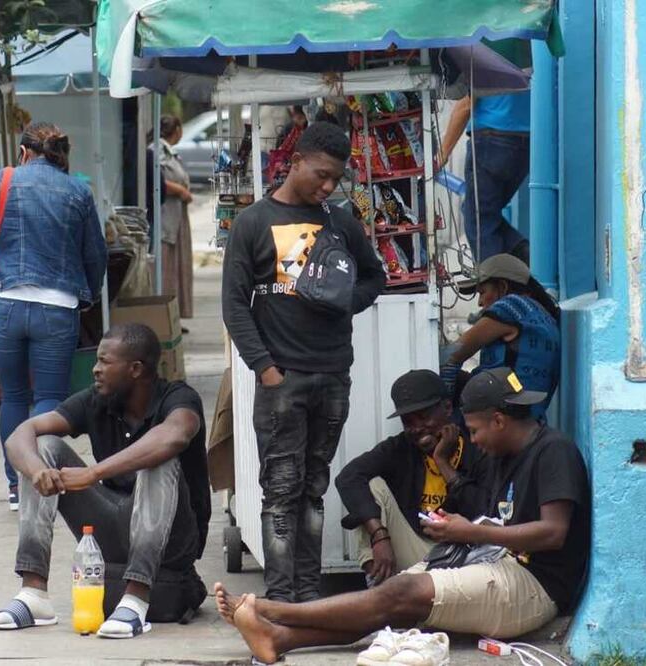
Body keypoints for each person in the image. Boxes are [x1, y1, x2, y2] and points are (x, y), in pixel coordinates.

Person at [214, 367, 591, 665]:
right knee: (388, 604)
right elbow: (493, 518)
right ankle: (278, 638)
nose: (472, 439)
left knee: (399, 593)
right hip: (496, 562)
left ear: (498, 420)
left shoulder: (553, 451)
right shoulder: (502, 456)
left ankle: (271, 610)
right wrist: (462, 531)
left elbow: (553, 532)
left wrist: (472, 533)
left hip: (535, 587)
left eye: (474, 430)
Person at [222, 121, 387, 602]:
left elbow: (374, 279)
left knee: (313, 489)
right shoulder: (254, 222)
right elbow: (234, 304)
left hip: (333, 374)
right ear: (295, 162)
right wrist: (265, 368)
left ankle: (310, 597)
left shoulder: (339, 220)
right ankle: (278, 600)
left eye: (336, 178)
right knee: (281, 492)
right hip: (283, 380)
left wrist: (345, 302)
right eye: (320, 174)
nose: (328, 186)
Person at [0, 323, 210, 638]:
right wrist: (38, 470)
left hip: (172, 539)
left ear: (135, 369)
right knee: (44, 447)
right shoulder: (97, 399)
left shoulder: (179, 398)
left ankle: (135, 601)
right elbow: (21, 435)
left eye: (105, 361)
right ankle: (34, 595)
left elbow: (173, 436)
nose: (95, 369)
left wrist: (93, 473)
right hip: (114, 529)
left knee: (160, 460)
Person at [0, 122, 108, 510]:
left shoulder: (4, 180)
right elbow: (95, 253)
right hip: (58, 308)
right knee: (49, 398)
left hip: (6, 304)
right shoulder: (78, 190)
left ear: (24, 151)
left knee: (13, 396)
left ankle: (16, 485)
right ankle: (42, 483)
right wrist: (88, 296)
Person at [335, 370, 486, 585]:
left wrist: (443, 462)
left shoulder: (477, 447)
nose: (417, 429)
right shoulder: (401, 447)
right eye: (408, 422)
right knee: (371, 489)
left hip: (466, 555)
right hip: (420, 550)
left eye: (424, 418)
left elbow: (480, 509)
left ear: (447, 408)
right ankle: (381, 595)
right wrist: (380, 535)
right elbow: (348, 477)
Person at [441, 254, 560, 419]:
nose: (480, 302)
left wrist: (445, 415)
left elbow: (450, 357)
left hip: (499, 414)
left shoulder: (511, 306)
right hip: (531, 416)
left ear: (503, 287)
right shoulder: (544, 315)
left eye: (482, 292)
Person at [439, 92, 531, 264]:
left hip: (491, 138)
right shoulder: (526, 64)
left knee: (479, 222)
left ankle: (495, 284)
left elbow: (466, 105)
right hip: (525, 141)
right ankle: (521, 252)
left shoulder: (487, 65)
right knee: (481, 213)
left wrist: (442, 154)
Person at [152, 114, 195, 320]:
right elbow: (157, 180)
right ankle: (165, 317)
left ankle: (174, 317)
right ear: (177, 130)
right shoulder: (157, 150)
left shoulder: (168, 151)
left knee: (176, 268)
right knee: (166, 270)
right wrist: (179, 190)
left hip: (176, 218)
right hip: (166, 219)